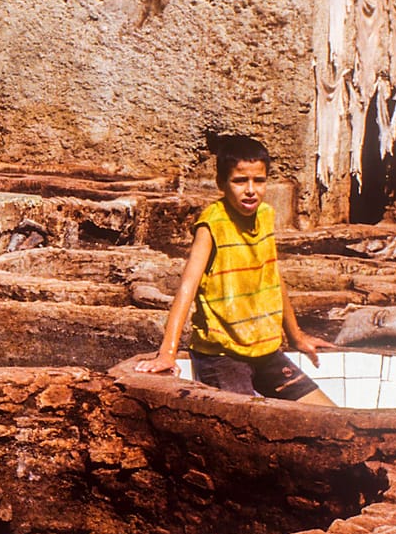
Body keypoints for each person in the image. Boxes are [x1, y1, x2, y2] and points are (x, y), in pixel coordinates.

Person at [132, 136, 336, 404]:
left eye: (259, 181)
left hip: (263, 350)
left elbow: (272, 277)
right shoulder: (212, 225)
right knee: (244, 423)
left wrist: (296, 336)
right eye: (240, 181)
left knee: (327, 414)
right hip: (221, 356)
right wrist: (168, 352)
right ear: (221, 183)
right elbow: (187, 287)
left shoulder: (265, 215)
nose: (250, 190)